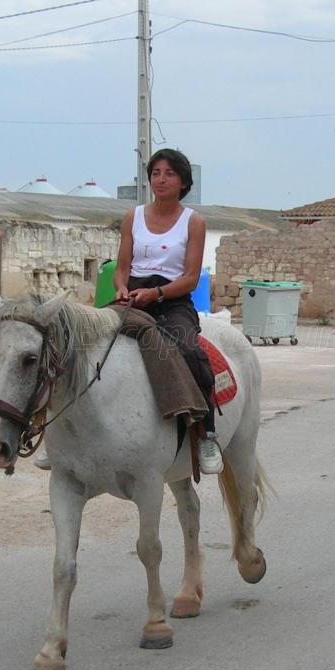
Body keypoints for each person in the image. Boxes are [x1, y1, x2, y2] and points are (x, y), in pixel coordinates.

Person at [116, 148, 222, 475]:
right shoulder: (132, 216)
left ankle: (206, 434)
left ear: (184, 182)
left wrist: (157, 293)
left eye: (170, 173)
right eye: (156, 173)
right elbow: (121, 267)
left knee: (190, 350)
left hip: (172, 299)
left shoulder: (194, 222)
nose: (161, 179)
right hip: (133, 295)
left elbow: (190, 278)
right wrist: (121, 289)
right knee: (80, 341)